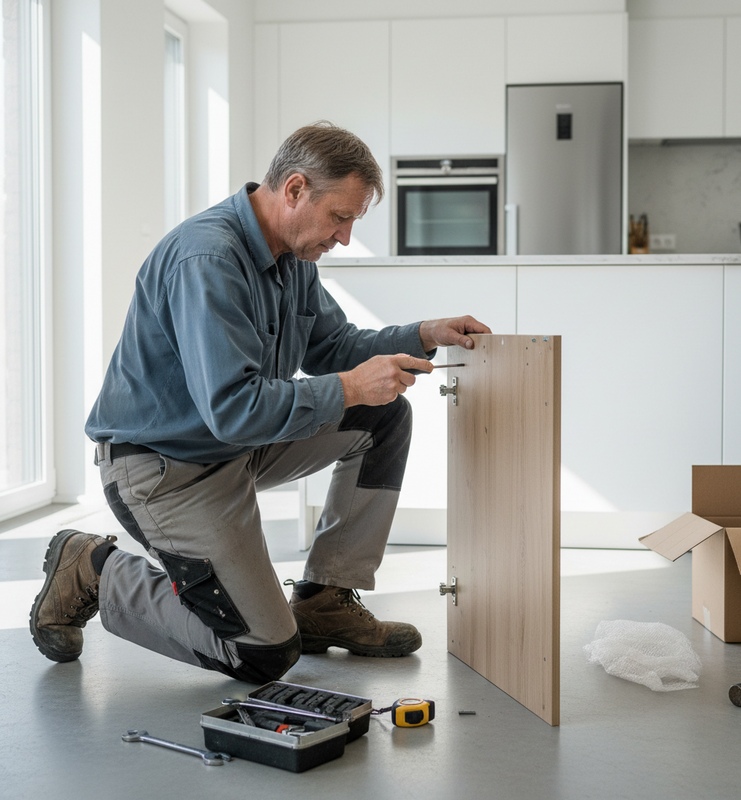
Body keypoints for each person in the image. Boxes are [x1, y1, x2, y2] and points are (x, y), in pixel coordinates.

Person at [29, 121, 491, 684]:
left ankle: (324, 599)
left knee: (383, 414)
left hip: (234, 447)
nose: (344, 237)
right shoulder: (208, 260)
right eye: (340, 217)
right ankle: (95, 570)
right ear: (295, 189)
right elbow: (235, 409)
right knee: (262, 653)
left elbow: (334, 348)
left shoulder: (293, 259)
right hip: (164, 470)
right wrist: (348, 386)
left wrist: (425, 332)